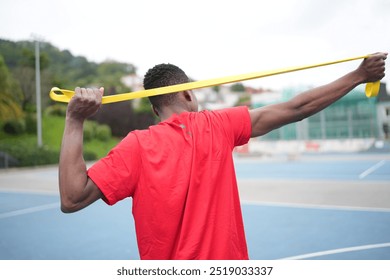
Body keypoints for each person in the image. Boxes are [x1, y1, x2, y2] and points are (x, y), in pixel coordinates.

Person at [58, 52, 387, 260]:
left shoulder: (136, 146)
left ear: (154, 107)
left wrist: (75, 119)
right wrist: (359, 75)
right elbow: (297, 107)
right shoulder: (218, 125)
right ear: (187, 93)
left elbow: (72, 198)